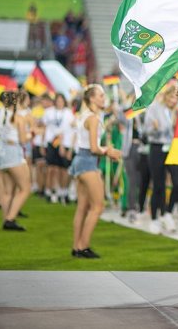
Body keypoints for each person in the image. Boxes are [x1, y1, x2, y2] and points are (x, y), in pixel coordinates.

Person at [70, 84, 122, 258]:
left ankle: (77, 247)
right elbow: (93, 148)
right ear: (91, 98)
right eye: (100, 95)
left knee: (82, 207)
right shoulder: (92, 118)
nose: (103, 97)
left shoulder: (85, 115)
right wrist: (108, 150)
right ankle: (83, 246)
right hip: (87, 162)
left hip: (81, 160)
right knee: (97, 207)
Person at [143, 85, 178, 235]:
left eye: (175, 98)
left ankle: (167, 213)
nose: (173, 101)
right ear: (166, 96)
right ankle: (154, 219)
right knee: (158, 185)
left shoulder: (176, 111)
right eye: (171, 97)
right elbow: (146, 131)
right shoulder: (155, 108)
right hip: (157, 148)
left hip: (171, 149)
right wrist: (154, 128)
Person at [0, 91, 32, 231]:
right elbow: (23, 140)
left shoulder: (0, 114)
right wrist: (31, 134)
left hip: (1, 152)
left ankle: (6, 218)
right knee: (25, 188)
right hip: (13, 152)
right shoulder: (17, 117)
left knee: (7, 191)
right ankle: (10, 219)